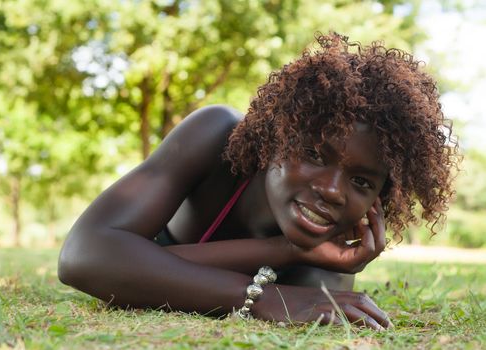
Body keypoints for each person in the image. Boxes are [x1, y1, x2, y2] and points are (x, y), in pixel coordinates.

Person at [58, 33, 458, 330]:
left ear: (379, 201)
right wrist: (270, 290)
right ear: (277, 138)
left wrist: (294, 255)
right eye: (316, 154)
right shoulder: (214, 136)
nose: (333, 190)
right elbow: (84, 257)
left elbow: (118, 266)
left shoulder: (329, 271)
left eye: (361, 181)